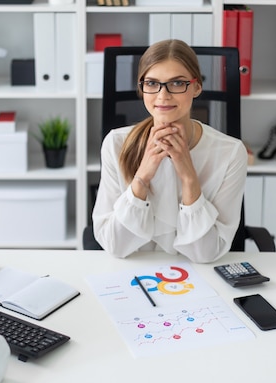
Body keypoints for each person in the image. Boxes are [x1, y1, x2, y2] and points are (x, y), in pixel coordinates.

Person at [92, 39, 248, 263]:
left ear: (196, 87)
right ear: (141, 88)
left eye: (177, 83)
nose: (162, 96)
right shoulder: (116, 144)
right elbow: (115, 245)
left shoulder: (231, 153)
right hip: (132, 271)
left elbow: (206, 253)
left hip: (199, 277)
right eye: (152, 83)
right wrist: (142, 177)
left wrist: (188, 176)